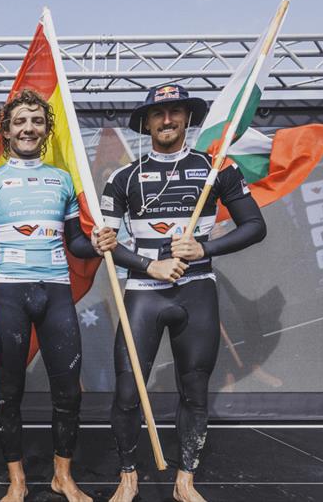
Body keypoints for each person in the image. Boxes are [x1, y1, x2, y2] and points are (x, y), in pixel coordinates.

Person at [102, 84, 266, 502]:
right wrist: (148, 265)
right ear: (146, 122)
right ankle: (128, 475)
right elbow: (96, 243)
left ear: (188, 118)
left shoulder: (216, 168)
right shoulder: (124, 177)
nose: (168, 120)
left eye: (176, 112)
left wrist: (204, 248)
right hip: (143, 292)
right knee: (126, 392)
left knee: (194, 390)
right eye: (159, 114)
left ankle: (185, 479)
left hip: (196, 292)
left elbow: (254, 226)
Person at [0, 89, 117, 502]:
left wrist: (96, 243)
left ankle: (62, 477)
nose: (28, 127)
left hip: (56, 293)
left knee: (68, 392)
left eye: (37, 121)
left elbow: (76, 245)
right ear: (7, 131)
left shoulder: (61, 179)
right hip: (10, 295)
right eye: (20, 121)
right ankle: (17, 481)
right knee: (8, 393)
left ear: (47, 129)